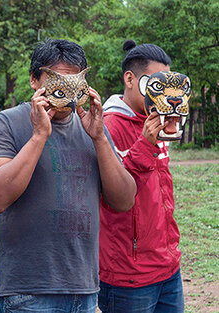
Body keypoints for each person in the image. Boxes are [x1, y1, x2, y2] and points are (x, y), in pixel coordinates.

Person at [0, 39, 136, 313]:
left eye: (74, 82)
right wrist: (39, 135)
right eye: (56, 81)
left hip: (84, 290)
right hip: (27, 293)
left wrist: (99, 137)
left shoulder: (93, 129)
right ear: (33, 80)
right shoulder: (8, 123)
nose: (66, 92)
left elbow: (124, 199)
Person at [98, 40, 184, 313]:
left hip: (168, 266)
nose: (166, 95)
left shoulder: (155, 120)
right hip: (129, 275)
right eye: (156, 84)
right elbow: (116, 195)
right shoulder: (108, 126)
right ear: (130, 79)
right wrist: (145, 144)